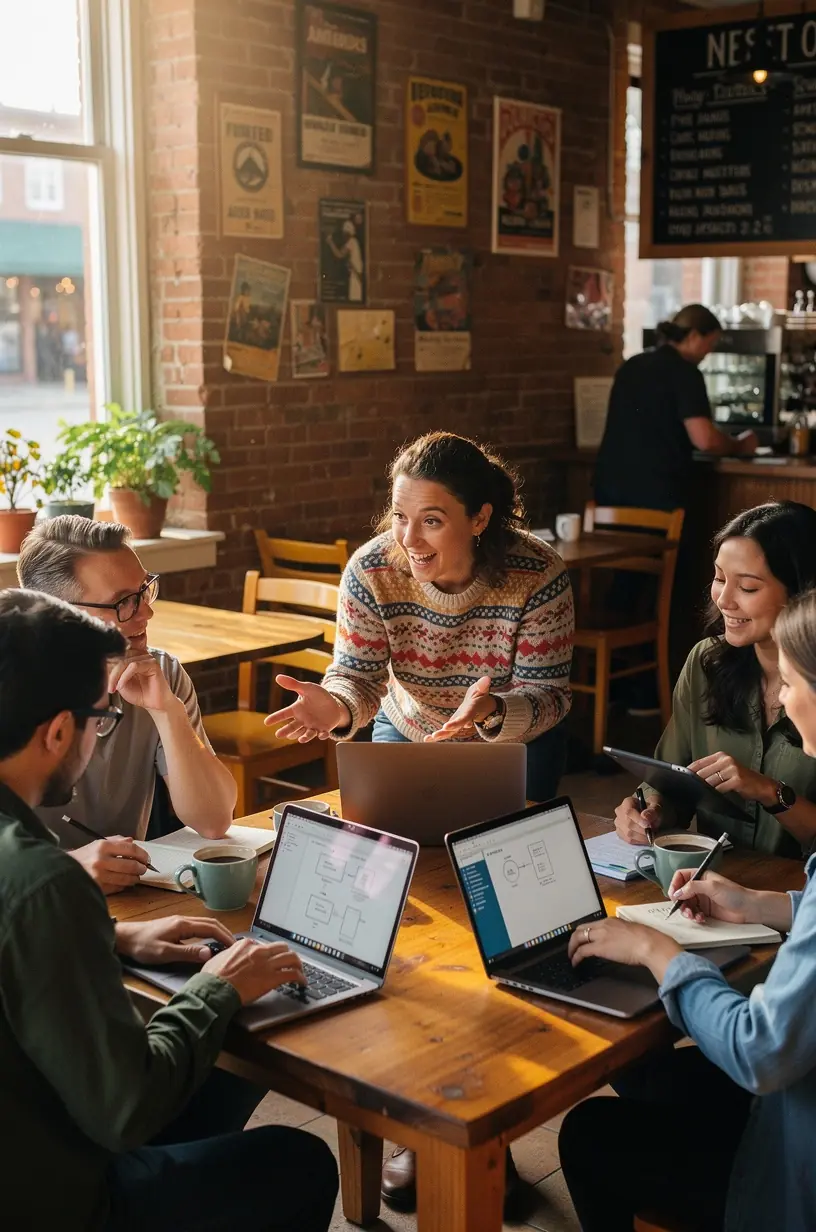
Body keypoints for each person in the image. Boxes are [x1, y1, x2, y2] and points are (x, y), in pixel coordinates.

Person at [266, 431, 574, 1216]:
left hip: (508, 741)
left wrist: (494, 712)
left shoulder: (537, 573)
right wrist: (333, 706)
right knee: (399, 915)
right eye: (400, 517)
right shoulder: (373, 568)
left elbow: (550, 694)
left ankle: (492, 1124)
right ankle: (409, 1124)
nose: (408, 539)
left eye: (431, 520)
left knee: (502, 921)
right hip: (403, 730)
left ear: (481, 517)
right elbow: (357, 676)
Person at [0, 588, 338, 1231]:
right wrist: (216, 988)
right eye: (101, 720)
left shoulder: (33, 875)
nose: (101, 734)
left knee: (230, 1068)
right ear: (58, 731)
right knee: (298, 1160)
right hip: (58, 1197)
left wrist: (116, 939)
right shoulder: (43, 882)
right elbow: (123, 1108)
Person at [559, 585, 816, 1232]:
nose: (782, 698)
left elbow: (762, 1054)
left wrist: (655, 950)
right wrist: (760, 903)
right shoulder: (707, 665)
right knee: (656, 1074)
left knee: (591, 1131)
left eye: (790, 683)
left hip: (797, 1162)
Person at [17, 516, 237, 894]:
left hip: (129, 908)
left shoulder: (161, 673)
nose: (146, 613)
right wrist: (64, 868)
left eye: (144, 590)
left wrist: (167, 711)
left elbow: (214, 821)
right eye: (123, 602)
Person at [614, 501, 816, 858]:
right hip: (714, 886)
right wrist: (650, 810)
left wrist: (770, 792)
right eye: (720, 578)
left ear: (802, 594)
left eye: (748, 588)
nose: (724, 600)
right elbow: (674, 781)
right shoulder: (706, 663)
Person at [595, 304, 759, 514]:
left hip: (610, 490)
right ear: (693, 336)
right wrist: (739, 446)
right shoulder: (686, 373)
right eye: (711, 343)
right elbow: (705, 440)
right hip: (656, 495)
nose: (709, 351)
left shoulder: (631, 365)